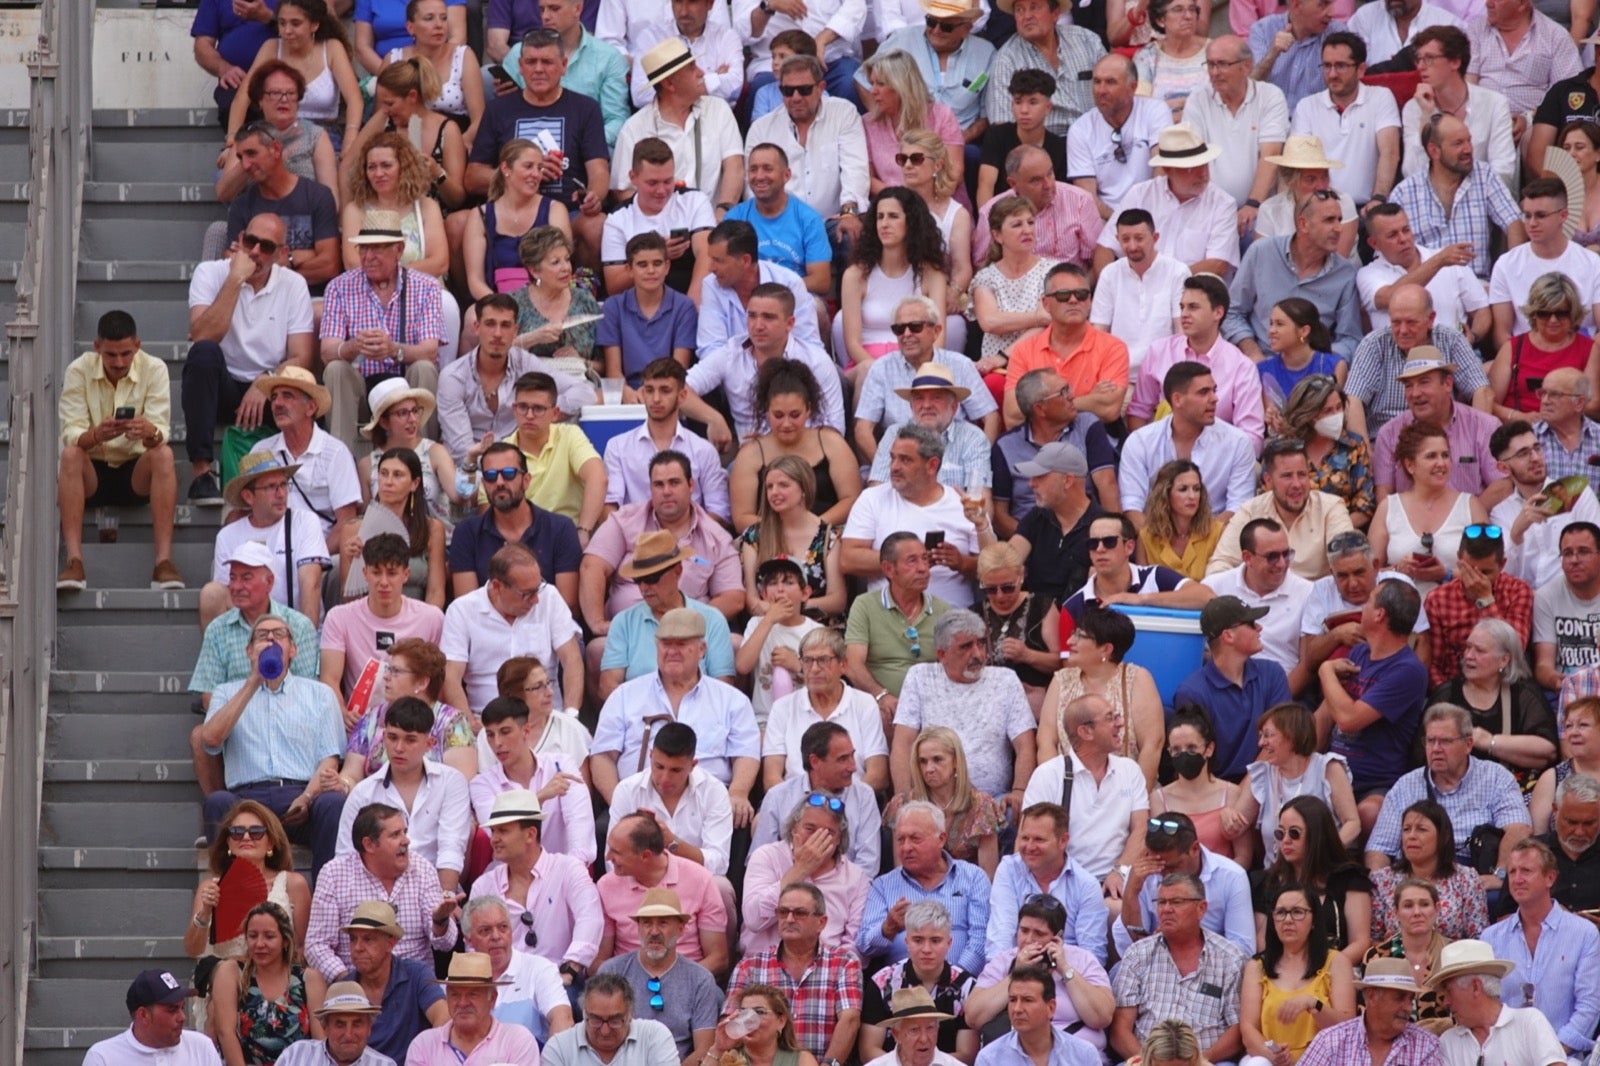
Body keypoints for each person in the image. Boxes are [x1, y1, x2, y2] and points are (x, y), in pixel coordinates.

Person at [184, 211, 315, 507]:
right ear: (240, 240)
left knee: (305, 388)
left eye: (266, 247)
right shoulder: (211, 272)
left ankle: (303, 477)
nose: (255, 252)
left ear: (282, 253)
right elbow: (202, 334)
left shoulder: (293, 284)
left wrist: (266, 382)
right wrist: (235, 280)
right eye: (250, 241)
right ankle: (202, 472)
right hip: (222, 386)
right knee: (202, 354)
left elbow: (301, 355)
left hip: (269, 387)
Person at [200, 615, 346, 877]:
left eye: (279, 634)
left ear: (292, 649)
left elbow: (329, 759)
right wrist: (254, 681)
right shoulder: (226, 692)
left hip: (300, 796)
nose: (270, 639)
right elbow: (210, 740)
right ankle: (229, 896)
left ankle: (327, 894)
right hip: (247, 801)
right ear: (249, 650)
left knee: (333, 803)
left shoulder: (319, 694)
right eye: (261, 635)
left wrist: (307, 797)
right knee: (217, 802)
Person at [56, 310, 182, 592]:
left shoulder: (155, 368)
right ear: (96, 347)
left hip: (136, 470)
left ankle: (164, 562)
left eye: (126, 353)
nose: (119, 362)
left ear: (137, 346)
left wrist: (149, 433)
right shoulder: (78, 370)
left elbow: (161, 431)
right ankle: (74, 561)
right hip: (92, 470)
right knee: (70, 455)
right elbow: (72, 434)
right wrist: (96, 435)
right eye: (111, 355)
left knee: (164, 454)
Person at [591, 607, 760, 817]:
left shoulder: (731, 700)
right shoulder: (625, 695)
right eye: (666, 644)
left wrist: (738, 793)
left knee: (741, 818)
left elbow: (746, 753)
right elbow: (602, 757)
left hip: (707, 806)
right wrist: (620, 804)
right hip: (639, 804)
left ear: (701, 649)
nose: (672, 651)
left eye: (681, 644)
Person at [466, 30, 609, 267]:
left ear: (563, 66)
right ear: (520, 67)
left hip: (566, 211)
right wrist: (525, 173)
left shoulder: (585, 108)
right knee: (457, 223)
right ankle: (477, 299)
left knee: (596, 224)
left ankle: (583, 297)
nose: (539, 69)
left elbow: (599, 170)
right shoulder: (498, 110)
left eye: (547, 62)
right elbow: (472, 177)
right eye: (531, 62)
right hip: (508, 213)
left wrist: (595, 196)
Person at [580, 450, 742, 648]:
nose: (666, 491)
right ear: (650, 488)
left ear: (691, 485)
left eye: (674, 483)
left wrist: (683, 624)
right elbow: (592, 566)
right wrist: (597, 623)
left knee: (736, 645)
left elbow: (733, 597)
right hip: (630, 633)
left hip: (690, 633)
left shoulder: (715, 536)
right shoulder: (625, 521)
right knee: (597, 649)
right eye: (658, 484)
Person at [318, 212, 446, 455]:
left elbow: (430, 350)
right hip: (360, 391)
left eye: (376, 248)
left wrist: (393, 350)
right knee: (335, 368)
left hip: (405, 391)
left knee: (424, 367)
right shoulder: (339, 286)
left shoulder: (426, 286)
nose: (368, 257)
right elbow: (327, 351)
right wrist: (354, 346)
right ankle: (339, 462)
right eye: (363, 249)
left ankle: (423, 459)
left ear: (398, 250)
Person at [1366, 703, 1533, 882]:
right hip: (1416, 877)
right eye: (1430, 741)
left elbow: (1518, 828)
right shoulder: (1405, 786)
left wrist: (1499, 875)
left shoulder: (1496, 777)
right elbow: (1379, 848)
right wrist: (1383, 889)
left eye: (1445, 741)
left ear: (1468, 744)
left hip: (1475, 873)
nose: (1436, 749)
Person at [891, 610, 1038, 814]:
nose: (977, 654)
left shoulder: (1006, 680)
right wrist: (905, 796)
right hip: (933, 801)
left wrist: (1020, 790)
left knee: (1013, 811)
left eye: (980, 643)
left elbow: (1025, 744)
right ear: (942, 654)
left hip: (993, 801)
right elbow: (903, 743)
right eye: (966, 647)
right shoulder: (920, 678)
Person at [1318, 577, 1430, 827]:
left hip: (1374, 783)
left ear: (1379, 614)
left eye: (1369, 601)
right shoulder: (1359, 652)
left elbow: (1348, 721)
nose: (1362, 607)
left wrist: (1325, 671)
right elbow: (1328, 712)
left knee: (1369, 813)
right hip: (1331, 774)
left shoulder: (1408, 670)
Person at [841, 424, 990, 609]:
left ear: (932, 465)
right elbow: (848, 559)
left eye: (905, 460)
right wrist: (906, 560)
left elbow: (993, 568)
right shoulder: (872, 499)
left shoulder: (963, 504)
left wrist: (960, 562)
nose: (894, 467)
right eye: (893, 458)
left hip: (952, 621)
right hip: (887, 619)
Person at [304, 804, 460, 980]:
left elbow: (446, 944)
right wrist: (347, 982)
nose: (406, 841)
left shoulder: (422, 869)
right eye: (395, 835)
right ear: (369, 844)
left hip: (413, 987)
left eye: (404, 832)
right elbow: (317, 946)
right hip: (356, 983)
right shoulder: (334, 874)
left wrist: (440, 921)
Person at [1109, 872, 1249, 1063]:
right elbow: (1120, 1031)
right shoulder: (1137, 954)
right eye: (1161, 902)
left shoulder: (1230, 958)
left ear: (1201, 908)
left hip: (1208, 1061)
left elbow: (1237, 1030)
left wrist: (1196, 1063)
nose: (1166, 909)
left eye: (1176, 902)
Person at [334, 697, 470, 893]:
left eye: (410, 739)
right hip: (374, 890)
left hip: (433, 887)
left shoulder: (451, 782)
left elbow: (451, 845)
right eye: (392, 737)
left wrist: (445, 898)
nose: (398, 748)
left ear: (430, 743)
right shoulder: (363, 793)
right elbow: (346, 857)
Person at [1481, 837, 1600, 1059]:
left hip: (1564, 1055)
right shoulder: (1491, 938)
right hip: (1505, 1055)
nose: (1517, 879)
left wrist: (1551, 1052)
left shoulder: (1584, 934)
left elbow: (1589, 1005)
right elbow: (1487, 1004)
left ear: (1550, 877)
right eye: (1512, 871)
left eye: (1526, 871)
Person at [686, 283, 845, 448]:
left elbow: (834, 430)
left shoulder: (815, 360)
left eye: (768, 317)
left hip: (806, 455)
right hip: (751, 457)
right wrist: (713, 418)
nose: (758, 326)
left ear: (789, 323)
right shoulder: (731, 353)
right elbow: (680, 389)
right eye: (752, 316)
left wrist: (774, 442)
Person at [439, 295, 592, 466]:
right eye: (490, 324)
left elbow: (584, 391)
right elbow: (461, 452)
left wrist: (546, 412)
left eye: (505, 325)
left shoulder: (525, 363)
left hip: (524, 463)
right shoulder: (453, 377)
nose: (497, 334)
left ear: (515, 331)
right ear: (476, 327)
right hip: (474, 467)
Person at [1022, 691, 1150, 888]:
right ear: (1086, 732)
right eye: (1110, 718)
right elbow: (1030, 840)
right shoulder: (1047, 775)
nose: (1120, 723)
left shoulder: (1130, 770)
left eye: (1117, 716)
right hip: (1062, 884)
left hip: (1116, 884)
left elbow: (1141, 829)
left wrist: (1120, 872)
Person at [438, 542, 583, 715]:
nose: (536, 599)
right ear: (497, 586)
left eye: (538, 588)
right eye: (527, 593)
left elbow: (572, 659)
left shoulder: (549, 597)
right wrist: (467, 722)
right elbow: (451, 676)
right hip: (487, 721)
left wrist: (571, 715)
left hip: (547, 718)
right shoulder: (462, 610)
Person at [470, 788, 603, 975]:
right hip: (503, 984)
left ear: (530, 834)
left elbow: (590, 919)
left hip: (560, 978)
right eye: (493, 831)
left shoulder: (569, 869)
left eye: (503, 831)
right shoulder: (483, 885)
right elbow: (473, 944)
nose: (494, 839)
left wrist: (571, 968)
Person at [727, 882, 865, 1060]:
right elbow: (731, 1023)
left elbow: (850, 1020)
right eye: (783, 912)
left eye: (799, 913)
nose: (790, 919)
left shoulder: (844, 963)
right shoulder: (749, 967)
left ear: (821, 922)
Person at [596, 529, 738, 700]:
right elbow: (608, 686)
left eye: (652, 578)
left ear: (677, 571)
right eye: (638, 580)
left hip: (699, 720)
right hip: (641, 720)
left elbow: (723, 689)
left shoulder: (712, 620)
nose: (643, 588)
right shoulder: (623, 622)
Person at [745, 53, 872, 243]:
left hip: (832, 220)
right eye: (788, 91)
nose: (796, 97)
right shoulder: (762, 127)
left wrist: (849, 213)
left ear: (821, 88)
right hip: (780, 223)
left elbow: (855, 168)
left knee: (851, 235)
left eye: (804, 90)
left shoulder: (843, 113)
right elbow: (752, 184)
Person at [1223, 189, 1362, 361]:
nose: (1339, 228)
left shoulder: (1345, 274)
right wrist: (1252, 353)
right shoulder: (1261, 252)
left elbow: (1350, 339)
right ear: (1303, 224)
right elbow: (1232, 312)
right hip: (1260, 362)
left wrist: (1314, 361)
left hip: (1313, 372)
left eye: (1339, 220)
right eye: (1329, 220)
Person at [1388, 114, 1525, 285]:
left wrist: (1513, 275)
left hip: (1479, 284)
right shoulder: (1404, 193)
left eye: (1469, 140)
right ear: (1434, 151)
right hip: (1429, 289)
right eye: (1458, 143)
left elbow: (1513, 222)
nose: (1468, 149)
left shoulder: (1484, 175)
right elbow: (1388, 251)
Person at [1346, 284, 1495, 442]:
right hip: (1385, 442)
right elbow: (1353, 401)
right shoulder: (1374, 344)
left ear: (1430, 319)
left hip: (1443, 442)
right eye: (1396, 322)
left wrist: (1476, 446)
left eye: (1411, 322)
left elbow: (1481, 391)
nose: (1402, 330)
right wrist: (1365, 459)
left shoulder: (1451, 340)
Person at [1090, 129, 1239, 285]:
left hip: (1191, 295)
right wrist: (1110, 288)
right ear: (1168, 169)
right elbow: (1105, 248)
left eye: (1204, 165)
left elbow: (1217, 265)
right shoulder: (1140, 194)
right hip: (1135, 292)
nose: (1202, 174)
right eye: (1191, 168)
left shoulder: (1223, 204)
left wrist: (1160, 288)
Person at [1131, 273, 1264, 447]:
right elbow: (1138, 412)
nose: (1184, 314)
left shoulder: (1241, 366)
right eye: (1182, 307)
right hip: (1163, 454)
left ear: (1218, 312)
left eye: (1193, 307)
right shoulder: (1159, 351)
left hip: (1220, 457)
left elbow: (1251, 436)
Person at [1119, 361, 1258, 525]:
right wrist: (1161, 545)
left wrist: (1200, 544)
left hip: (1216, 539)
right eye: (1203, 392)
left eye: (1214, 391)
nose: (1214, 399)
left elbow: (1238, 508)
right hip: (1155, 536)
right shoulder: (1140, 442)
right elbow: (1132, 506)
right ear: (1177, 399)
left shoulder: (1238, 442)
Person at [611, 40, 743, 211]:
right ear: (669, 84)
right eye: (692, 68)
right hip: (657, 230)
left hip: (713, 224)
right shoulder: (634, 128)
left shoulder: (718, 109)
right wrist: (658, 221)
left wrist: (721, 214)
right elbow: (623, 190)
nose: (701, 72)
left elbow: (735, 167)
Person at [858, 801, 990, 972]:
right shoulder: (883, 885)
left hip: (961, 986)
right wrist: (887, 928)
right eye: (900, 839)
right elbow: (865, 946)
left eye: (915, 839)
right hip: (903, 990)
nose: (906, 847)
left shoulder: (973, 877)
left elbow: (980, 940)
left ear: (941, 839)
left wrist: (954, 982)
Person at [730, 360, 860, 533]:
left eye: (794, 415)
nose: (786, 423)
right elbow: (742, 517)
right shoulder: (750, 454)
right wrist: (782, 532)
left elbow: (851, 498)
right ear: (767, 411)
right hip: (770, 538)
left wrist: (812, 527)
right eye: (778, 415)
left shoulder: (831, 442)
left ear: (808, 409)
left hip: (826, 534)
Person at [596, 812, 731, 978]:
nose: (608, 857)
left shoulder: (700, 879)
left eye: (617, 852)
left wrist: (673, 983)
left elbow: (718, 958)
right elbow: (599, 960)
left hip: (687, 980)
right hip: (627, 984)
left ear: (645, 855)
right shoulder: (606, 886)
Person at [593, 888, 720, 1062]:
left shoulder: (700, 979)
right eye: (646, 923)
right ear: (638, 928)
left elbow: (703, 1051)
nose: (654, 932)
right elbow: (597, 1039)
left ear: (681, 928)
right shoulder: (611, 972)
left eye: (663, 923)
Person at [1172, 593, 1293, 774]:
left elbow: (1282, 740)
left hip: (1269, 782)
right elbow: (1196, 764)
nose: (1259, 627)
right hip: (1216, 792)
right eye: (1251, 624)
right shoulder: (1192, 693)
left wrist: (1246, 793)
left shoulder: (1272, 673)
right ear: (1228, 636)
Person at [1369, 419, 1491, 597]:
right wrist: (1397, 569)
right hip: (1401, 614)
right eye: (1431, 456)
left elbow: (1488, 573)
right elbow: (1368, 573)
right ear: (1410, 465)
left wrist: (1446, 574)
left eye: (1445, 455)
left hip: (1458, 610)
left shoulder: (1471, 506)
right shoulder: (1388, 507)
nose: (1441, 463)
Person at [1241, 882, 1357, 1064]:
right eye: (1280, 913)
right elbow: (1248, 1028)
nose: (1287, 920)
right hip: (1273, 1059)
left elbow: (1348, 1027)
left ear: (1314, 920)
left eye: (1297, 912)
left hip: (1323, 1059)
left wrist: (1313, 1003)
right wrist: (1272, 1053)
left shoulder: (1337, 962)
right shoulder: (1257, 966)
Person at [1431, 615, 1557, 783]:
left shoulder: (1522, 694)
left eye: (1479, 650)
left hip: (1510, 789)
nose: (1468, 656)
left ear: (1504, 660)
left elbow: (1547, 751)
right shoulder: (1447, 695)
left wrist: (1490, 742)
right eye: (1468, 648)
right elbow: (1423, 754)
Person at [1229, 702, 1360, 863]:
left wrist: (1323, 856)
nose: (1261, 743)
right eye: (1261, 735)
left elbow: (1353, 823)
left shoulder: (1327, 768)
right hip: (1276, 878)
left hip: (1322, 873)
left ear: (1291, 736)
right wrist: (1226, 815)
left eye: (1268, 735)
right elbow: (1235, 828)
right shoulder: (1262, 773)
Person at [339, 638, 475, 792]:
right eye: (388, 669)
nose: (386, 676)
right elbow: (351, 775)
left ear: (422, 682)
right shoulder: (372, 717)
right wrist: (342, 785)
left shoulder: (452, 722)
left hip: (432, 807)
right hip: (374, 806)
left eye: (396, 671)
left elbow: (461, 782)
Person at [842, 532, 952, 724]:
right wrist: (881, 696)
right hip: (881, 707)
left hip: (932, 706)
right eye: (912, 561)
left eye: (925, 559)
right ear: (889, 569)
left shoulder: (943, 611)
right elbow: (853, 664)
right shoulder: (865, 605)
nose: (923, 568)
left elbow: (953, 666)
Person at [993, 369, 1120, 534]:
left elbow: (1107, 484)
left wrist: (1112, 536)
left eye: (1069, 388)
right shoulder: (1005, 446)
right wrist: (1034, 542)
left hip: (1084, 536)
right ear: (1040, 408)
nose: (1072, 396)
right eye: (1063, 392)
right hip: (1028, 537)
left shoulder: (1087, 425)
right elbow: (999, 516)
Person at [1209, 440, 1354, 582]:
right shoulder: (1251, 511)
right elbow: (1220, 565)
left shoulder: (1331, 508)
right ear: (1268, 480)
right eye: (1287, 476)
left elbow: (1346, 561)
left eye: (1302, 474)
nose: (1297, 484)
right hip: (1262, 598)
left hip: (1315, 599)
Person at [471, 695, 593, 864]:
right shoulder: (482, 784)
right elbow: (498, 828)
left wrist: (569, 873)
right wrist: (540, 797)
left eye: (505, 732)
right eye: (490, 735)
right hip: (509, 878)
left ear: (526, 731)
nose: (497, 742)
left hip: (564, 872)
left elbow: (580, 825)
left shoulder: (561, 763)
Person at [187, 801, 312, 963]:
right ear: (229, 842)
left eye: (256, 832)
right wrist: (205, 912)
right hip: (225, 980)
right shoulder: (211, 887)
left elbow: (303, 948)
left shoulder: (293, 884)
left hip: (277, 979)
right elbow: (192, 950)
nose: (246, 837)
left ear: (271, 843)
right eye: (237, 832)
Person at [1183, 34, 1289, 225]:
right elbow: (1193, 158)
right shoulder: (1198, 99)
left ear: (1246, 66)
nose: (1214, 72)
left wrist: (1253, 204)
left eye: (1222, 64)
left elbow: (1271, 155)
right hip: (1208, 208)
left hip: (1258, 207)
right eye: (1210, 64)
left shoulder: (1270, 96)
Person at [1257, 795, 1376, 964]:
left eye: (1294, 833)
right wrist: (1291, 971)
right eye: (1280, 833)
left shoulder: (1349, 877)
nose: (1286, 840)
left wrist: (1324, 972)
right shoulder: (1269, 881)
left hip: (1335, 974)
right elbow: (1263, 942)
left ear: (1317, 834)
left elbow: (1360, 942)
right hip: (1284, 975)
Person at [610, 722, 735, 883]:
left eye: (675, 770)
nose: (665, 778)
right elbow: (612, 857)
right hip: (640, 878)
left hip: (694, 880)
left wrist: (673, 843)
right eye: (659, 766)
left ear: (692, 765)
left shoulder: (714, 791)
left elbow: (719, 862)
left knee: (720, 886)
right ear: (650, 756)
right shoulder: (626, 790)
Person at [228, 0, 362, 150]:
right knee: (224, 173)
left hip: (324, 135)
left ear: (314, 25)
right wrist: (231, 142)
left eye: (295, 24)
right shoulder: (271, 47)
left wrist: (350, 141)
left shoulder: (331, 48)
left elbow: (354, 100)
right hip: (277, 134)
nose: (287, 31)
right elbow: (242, 98)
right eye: (282, 23)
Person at [1058, 513, 1214, 640]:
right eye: (1093, 543)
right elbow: (1069, 667)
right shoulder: (1072, 607)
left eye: (1109, 542)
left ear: (1129, 547)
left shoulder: (1155, 577)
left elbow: (1207, 597)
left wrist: (1141, 599)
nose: (1100, 549)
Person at [1398, 27, 1518, 190]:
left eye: (1429, 58)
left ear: (1455, 61)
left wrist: (1465, 196)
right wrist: (1426, 117)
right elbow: (1411, 173)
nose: (1420, 66)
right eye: (1418, 59)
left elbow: (1504, 171)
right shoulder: (1414, 108)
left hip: (1485, 200)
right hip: (1434, 203)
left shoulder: (1495, 103)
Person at [1289, 34, 1401, 209]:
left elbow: (1390, 152)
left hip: (1367, 207)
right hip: (1320, 207)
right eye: (1327, 66)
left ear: (1361, 69)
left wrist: (1378, 199)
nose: (1332, 74)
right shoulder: (1307, 106)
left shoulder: (1380, 97)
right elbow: (1300, 164)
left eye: (1340, 66)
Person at [210, 900, 328, 1064]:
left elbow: (320, 1042)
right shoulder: (232, 972)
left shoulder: (309, 979)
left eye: (269, 936)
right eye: (252, 936)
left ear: (285, 941)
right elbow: (225, 1032)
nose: (259, 944)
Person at [327, 901, 448, 1062]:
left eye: (368, 939)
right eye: (353, 939)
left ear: (390, 943)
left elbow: (444, 1018)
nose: (357, 947)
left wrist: (422, 1059)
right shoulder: (343, 989)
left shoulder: (416, 974)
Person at [604, 358, 725, 516]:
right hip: (633, 537)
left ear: (682, 396)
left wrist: (691, 538)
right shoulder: (618, 447)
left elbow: (719, 511)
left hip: (690, 538)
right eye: (649, 390)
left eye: (665, 390)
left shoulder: (704, 451)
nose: (656, 399)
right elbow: (610, 505)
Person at [343, 60, 466, 214]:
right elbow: (347, 168)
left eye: (390, 103)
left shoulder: (447, 130)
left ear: (412, 96)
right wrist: (344, 219)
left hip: (432, 220)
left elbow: (457, 199)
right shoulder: (383, 120)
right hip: (385, 215)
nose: (384, 110)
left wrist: (438, 173)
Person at [600, 139, 717, 299]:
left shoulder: (694, 200)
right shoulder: (617, 219)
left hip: (688, 297)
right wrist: (658, 255)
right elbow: (614, 284)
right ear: (633, 178)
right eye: (652, 183)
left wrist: (690, 307)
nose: (661, 191)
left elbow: (707, 254)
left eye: (668, 181)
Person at [762, 644, 889, 790]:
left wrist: (843, 803)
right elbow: (771, 778)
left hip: (854, 802)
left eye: (823, 660)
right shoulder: (782, 707)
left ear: (843, 665)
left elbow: (878, 775)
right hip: (796, 805)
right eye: (808, 660)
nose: (815, 668)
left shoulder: (864, 703)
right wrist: (804, 806)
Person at [1489, 181, 1600, 348]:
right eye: (1527, 215)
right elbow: (1502, 333)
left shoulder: (1592, 263)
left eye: (1540, 215)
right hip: (1527, 358)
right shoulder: (1506, 264)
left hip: (1581, 358)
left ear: (1563, 216)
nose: (1532, 223)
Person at [461, 142, 573, 306]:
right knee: (473, 320)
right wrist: (502, 307)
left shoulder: (555, 209)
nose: (536, 174)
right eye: (528, 166)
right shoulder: (480, 215)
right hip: (495, 299)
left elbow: (561, 269)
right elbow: (475, 280)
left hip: (545, 300)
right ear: (506, 169)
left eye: (540, 168)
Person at [1420, 528, 1534, 688]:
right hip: (1453, 690)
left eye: (1485, 572)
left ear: (1502, 564)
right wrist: (1447, 696)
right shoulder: (1438, 598)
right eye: (1470, 569)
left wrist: (1486, 600)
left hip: (1505, 687)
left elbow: (1514, 652)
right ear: (1459, 559)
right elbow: (1434, 664)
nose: (1476, 579)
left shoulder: (1518, 590)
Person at [859, 911, 977, 1064]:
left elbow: (967, 1054)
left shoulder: (967, 986)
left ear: (949, 943)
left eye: (935, 940)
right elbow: (868, 1050)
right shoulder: (882, 982)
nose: (926, 949)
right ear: (907, 942)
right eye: (918, 940)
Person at [883, 727, 1004, 876]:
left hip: (967, 893)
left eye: (937, 759)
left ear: (955, 761)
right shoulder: (903, 804)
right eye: (923, 761)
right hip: (915, 892)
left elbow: (988, 875)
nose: (929, 769)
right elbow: (901, 871)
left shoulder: (981, 805)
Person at [1358, 203, 1489, 338]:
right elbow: (1390, 297)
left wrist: (1473, 336)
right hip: (1399, 358)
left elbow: (1481, 310)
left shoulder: (1450, 260)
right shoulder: (1368, 274)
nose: (1403, 239)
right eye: (1392, 235)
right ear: (1374, 244)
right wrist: (1439, 261)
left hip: (1455, 354)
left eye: (1406, 230)